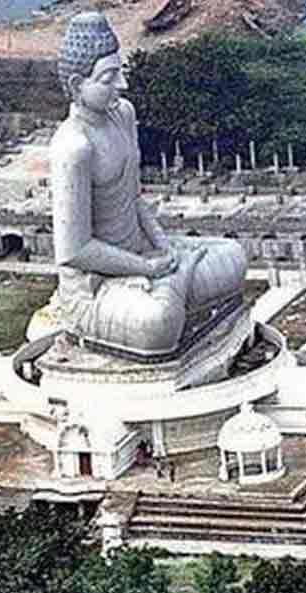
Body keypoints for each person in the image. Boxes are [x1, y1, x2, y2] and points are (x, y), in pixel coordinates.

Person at [49, 12, 248, 357]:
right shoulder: (73, 147)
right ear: (76, 85)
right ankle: (177, 283)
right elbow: (74, 252)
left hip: (147, 253)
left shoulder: (123, 114)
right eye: (109, 78)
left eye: (120, 72)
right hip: (95, 287)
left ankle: (175, 280)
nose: (122, 85)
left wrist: (163, 248)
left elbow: (135, 198)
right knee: (157, 322)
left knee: (235, 256)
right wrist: (146, 268)